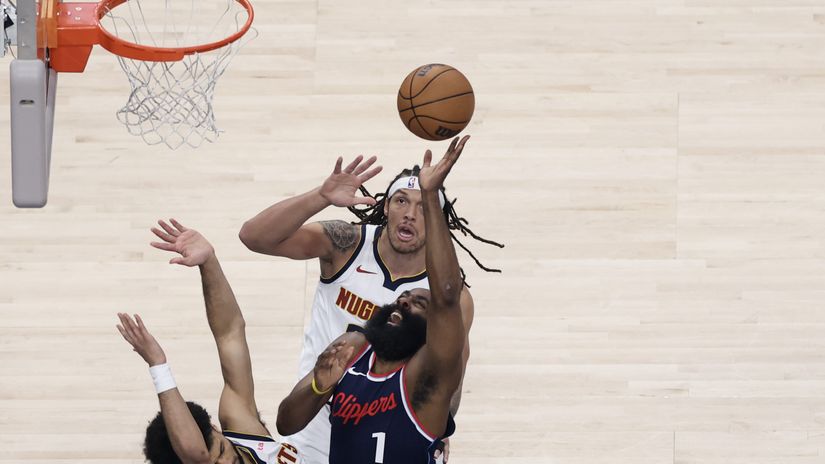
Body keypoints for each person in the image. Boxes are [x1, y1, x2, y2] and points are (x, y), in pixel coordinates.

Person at [239, 136, 501, 463]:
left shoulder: (449, 295)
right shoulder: (346, 245)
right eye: (401, 201)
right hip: (316, 412)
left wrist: (438, 424)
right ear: (386, 206)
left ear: (437, 218)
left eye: (423, 206)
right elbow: (254, 236)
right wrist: (320, 197)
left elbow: (453, 371)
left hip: (390, 423)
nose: (410, 214)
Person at [116, 219, 298, 464]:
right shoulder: (196, 454)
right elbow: (195, 453)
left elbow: (230, 333)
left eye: (221, 450)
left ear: (215, 428)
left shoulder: (242, 426)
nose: (224, 463)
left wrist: (209, 262)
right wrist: (158, 365)